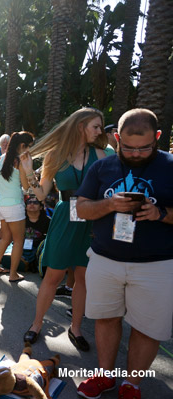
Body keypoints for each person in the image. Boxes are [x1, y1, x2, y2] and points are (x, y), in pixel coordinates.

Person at [74, 109, 173, 399]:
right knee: (105, 318)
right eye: (127, 147)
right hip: (106, 259)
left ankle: (133, 383)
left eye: (144, 147)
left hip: (157, 265)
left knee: (146, 328)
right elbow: (80, 208)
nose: (136, 154)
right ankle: (105, 375)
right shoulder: (101, 168)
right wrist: (109, 205)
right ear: (116, 138)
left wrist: (161, 213)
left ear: (157, 138)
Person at [20, 107, 108, 351]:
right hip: (64, 218)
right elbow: (40, 194)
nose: (99, 131)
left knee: (83, 278)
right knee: (53, 276)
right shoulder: (55, 156)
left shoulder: (101, 155)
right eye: (96, 126)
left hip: (91, 219)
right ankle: (36, 325)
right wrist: (29, 171)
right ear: (81, 126)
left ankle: (76, 328)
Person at [0, 131, 34, 282]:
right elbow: (26, 186)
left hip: (2, 205)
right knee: (18, 241)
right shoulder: (19, 161)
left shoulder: (1, 158)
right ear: (22, 145)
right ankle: (13, 274)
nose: (29, 150)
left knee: (6, 238)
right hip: (15, 205)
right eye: (28, 147)